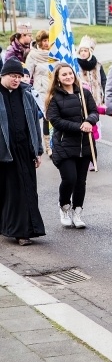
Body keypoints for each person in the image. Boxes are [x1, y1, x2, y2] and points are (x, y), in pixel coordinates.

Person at [45, 62, 99, 229]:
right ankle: (64, 206)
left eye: (70, 73)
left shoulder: (84, 93)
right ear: (58, 79)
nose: (68, 76)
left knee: (81, 181)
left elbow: (94, 111)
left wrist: (90, 121)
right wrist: (79, 126)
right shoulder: (54, 98)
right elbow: (55, 120)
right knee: (70, 178)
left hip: (84, 145)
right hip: (64, 145)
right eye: (64, 75)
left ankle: (77, 212)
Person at [0, 58, 45, 246]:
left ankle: (25, 231)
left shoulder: (26, 95)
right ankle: (13, 229)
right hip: (5, 153)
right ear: (3, 75)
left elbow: (35, 123)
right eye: (12, 76)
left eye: (19, 76)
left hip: (25, 151)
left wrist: (38, 150)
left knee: (28, 191)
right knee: (10, 192)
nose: (16, 80)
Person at [24, 30, 52, 156]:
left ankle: (55, 143)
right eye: (44, 40)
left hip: (53, 88)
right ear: (40, 42)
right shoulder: (33, 55)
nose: (47, 43)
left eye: (48, 40)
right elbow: (27, 74)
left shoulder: (54, 54)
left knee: (54, 116)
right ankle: (48, 146)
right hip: (40, 90)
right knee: (45, 117)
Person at [76, 36, 106, 109]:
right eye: (81, 51)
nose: (83, 53)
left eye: (85, 51)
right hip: (82, 99)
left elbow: (104, 80)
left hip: (96, 98)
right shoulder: (76, 65)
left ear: (89, 52)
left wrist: (105, 95)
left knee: (95, 118)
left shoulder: (97, 65)